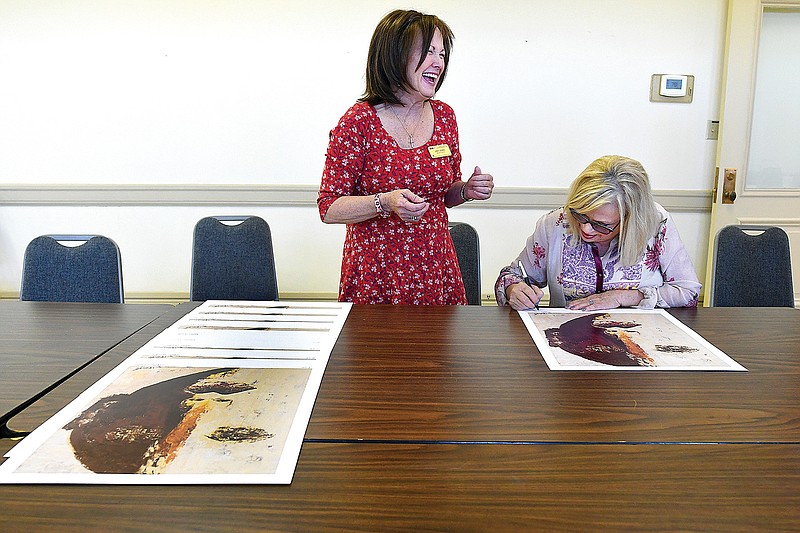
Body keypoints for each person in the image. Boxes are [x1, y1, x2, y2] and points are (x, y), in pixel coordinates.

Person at [318, 9, 494, 305]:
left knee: (440, 351)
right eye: (428, 52)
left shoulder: (445, 116)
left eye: (441, 53)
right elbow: (328, 207)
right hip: (377, 276)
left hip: (436, 269)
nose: (438, 63)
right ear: (394, 55)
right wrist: (384, 201)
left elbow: (443, 195)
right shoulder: (358, 122)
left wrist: (465, 190)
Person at [495, 155, 701, 311]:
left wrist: (626, 297)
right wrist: (514, 289)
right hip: (566, 342)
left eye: (601, 225)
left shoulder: (656, 223)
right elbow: (512, 275)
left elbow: (688, 292)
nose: (585, 229)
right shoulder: (555, 223)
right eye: (581, 215)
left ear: (630, 220)